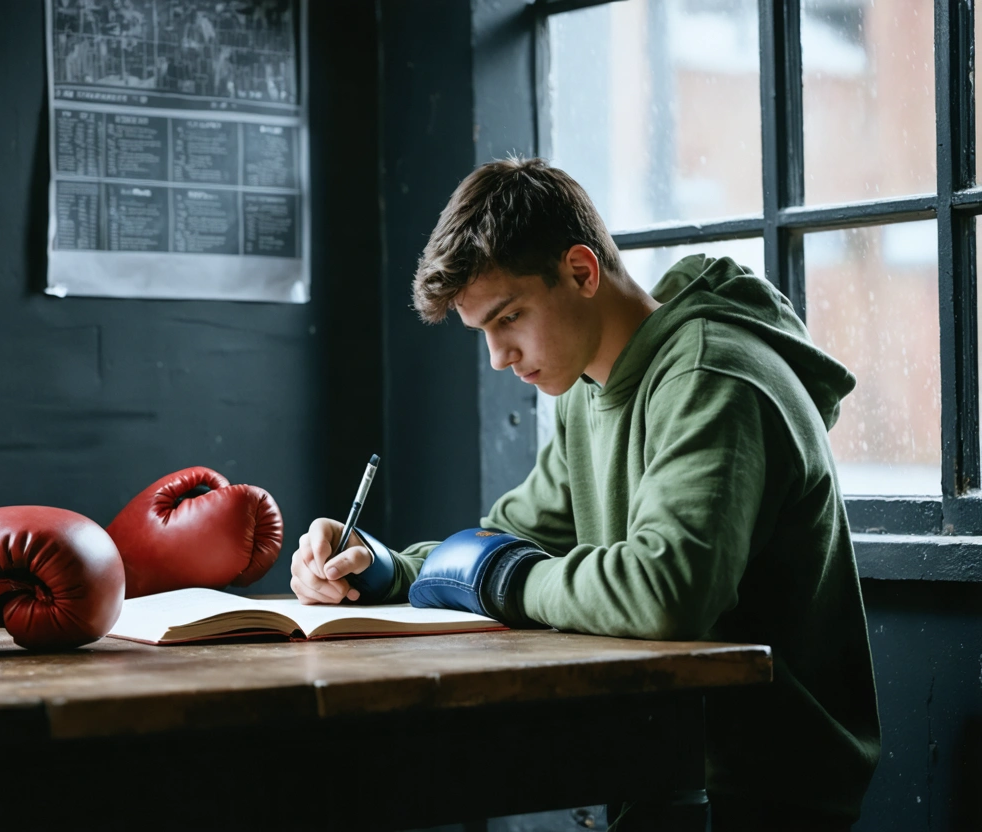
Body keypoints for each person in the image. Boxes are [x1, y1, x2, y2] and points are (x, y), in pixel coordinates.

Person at [290, 157, 881, 830]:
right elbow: (501, 545)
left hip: (758, 788)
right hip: (660, 760)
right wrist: (383, 569)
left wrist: (505, 579)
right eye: (482, 331)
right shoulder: (589, 389)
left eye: (508, 317)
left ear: (580, 271)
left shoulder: (712, 376)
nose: (498, 357)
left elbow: (664, 594)